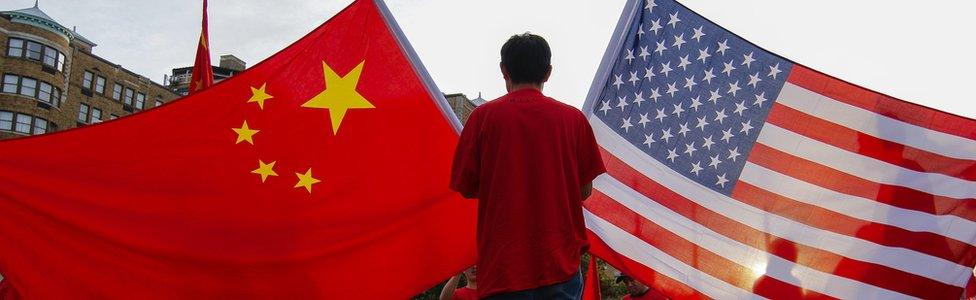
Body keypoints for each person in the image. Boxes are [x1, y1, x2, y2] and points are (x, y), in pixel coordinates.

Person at [450, 32, 606, 299]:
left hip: (502, 267)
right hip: (560, 265)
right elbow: (584, 191)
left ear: (504, 70)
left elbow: (465, 188)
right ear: (547, 72)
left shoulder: (481, 119)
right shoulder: (574, 120)